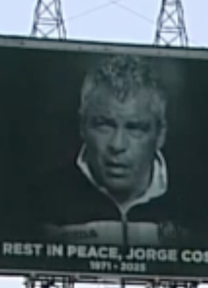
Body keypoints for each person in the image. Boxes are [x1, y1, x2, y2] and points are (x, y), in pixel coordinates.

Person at [32, 54, 192, 247]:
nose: (117, 145)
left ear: (160, 135)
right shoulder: (39, 201)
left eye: (134, 128)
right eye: (104, 125)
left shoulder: (196, 204)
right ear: (82, 126)